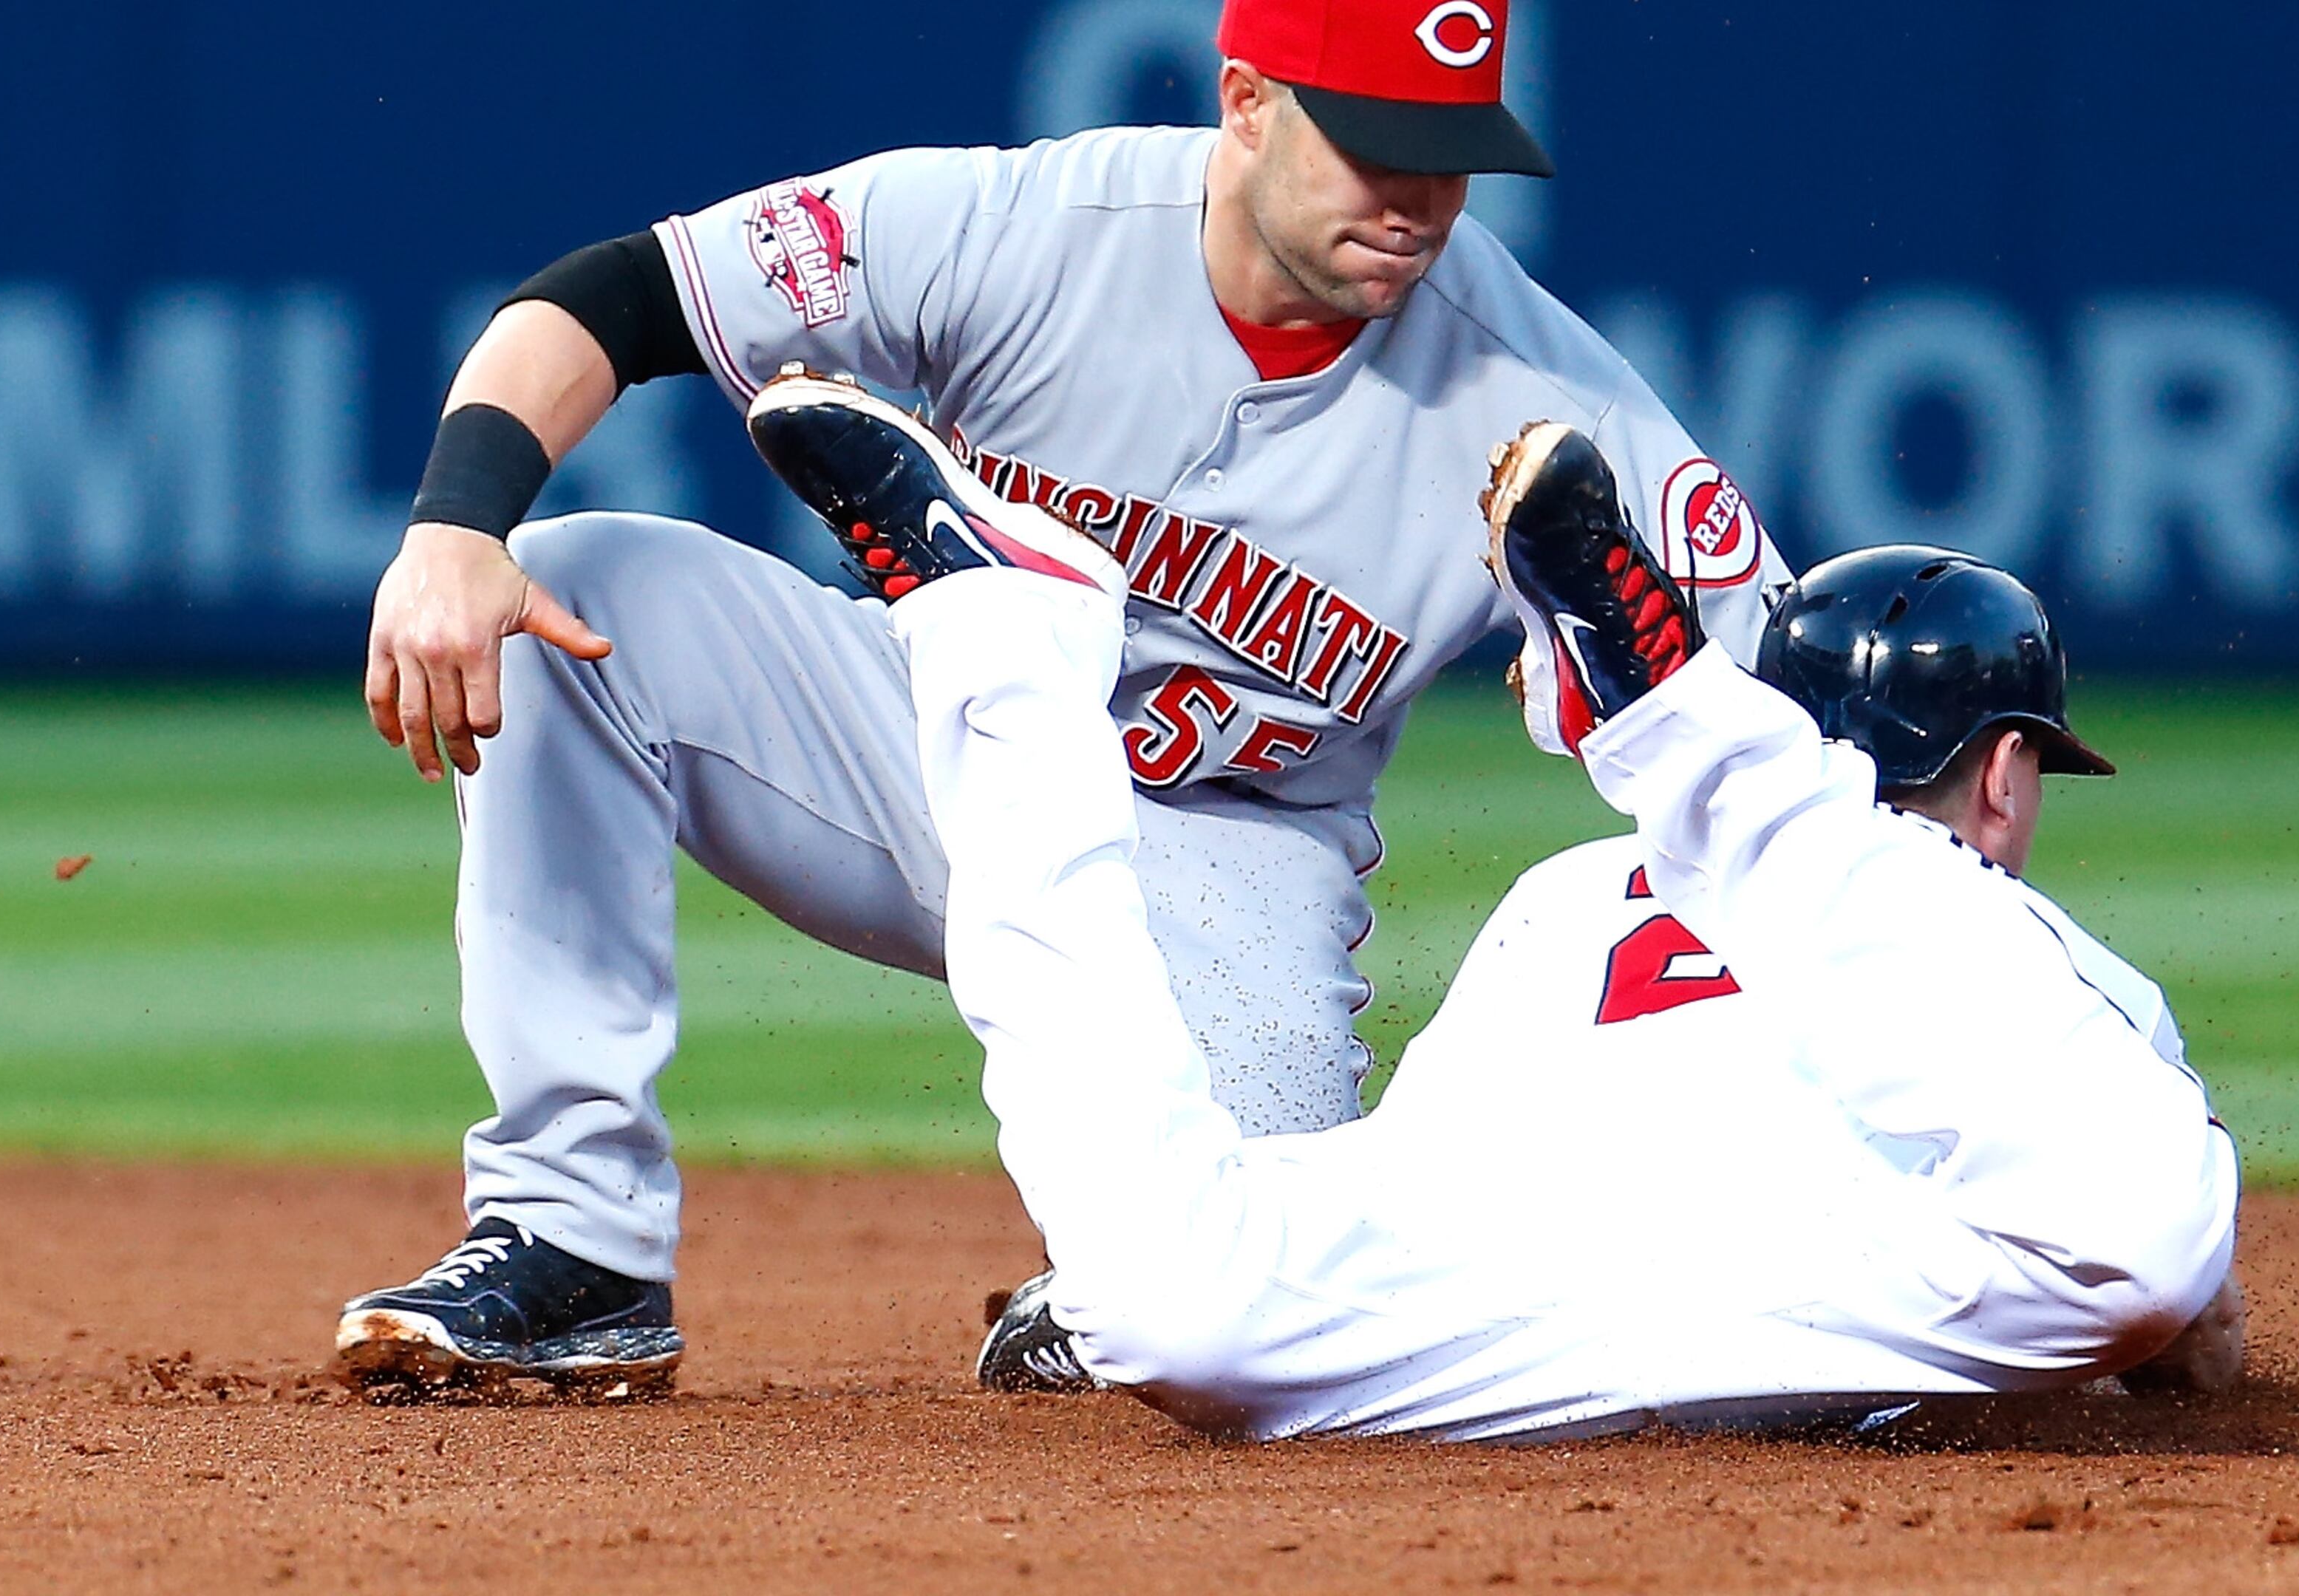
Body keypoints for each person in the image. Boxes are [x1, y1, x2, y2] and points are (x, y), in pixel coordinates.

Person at [335, 0, 1783, 1396]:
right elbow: (613, 297)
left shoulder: (1536, 387)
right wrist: (456, 524)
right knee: (561, 593)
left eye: (1449, 155)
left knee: (1259, 1299)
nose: (1415, 198)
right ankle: (576, 1238)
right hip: (922, 743)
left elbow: (1780, 675)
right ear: (1248, 104)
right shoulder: (1029, 229)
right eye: (1372, 142)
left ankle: (1107, 1276)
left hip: (1220, 857)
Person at [730, 374, 2243, 1440]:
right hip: (1800, 1284)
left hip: (1513, 1302)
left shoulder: (1575, 890)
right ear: (1999, 777)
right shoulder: (2057, 966)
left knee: (1176, 1310)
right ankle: (1672, 725)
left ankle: (1003, 639)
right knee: (2136, 1246)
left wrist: (1279, 1249)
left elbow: (1417, 1159)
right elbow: (2186, 1333)